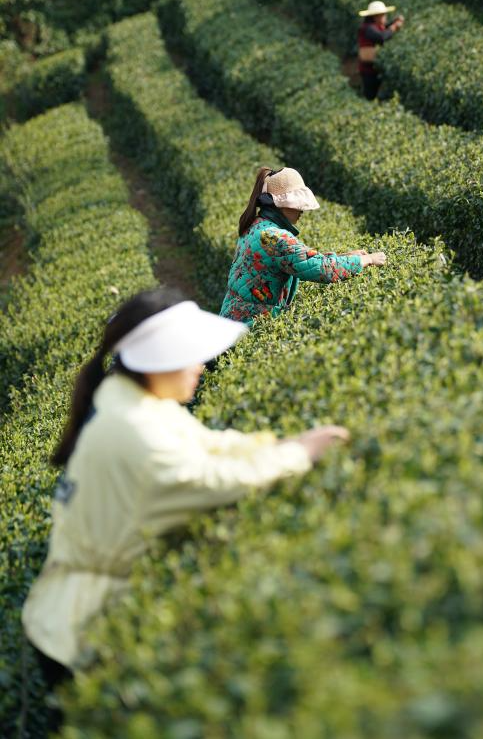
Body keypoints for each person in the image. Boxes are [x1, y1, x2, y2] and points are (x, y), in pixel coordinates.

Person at [23, 288, 349, 722]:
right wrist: (297, 456)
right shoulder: (136, 428)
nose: (201, 365)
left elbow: (207, 447)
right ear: (158, 361)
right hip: (75, 632)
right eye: (190, 356)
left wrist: (277, 444)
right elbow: (208, 479)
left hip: (72, 612)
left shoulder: (133, 401)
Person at [220, 167, 386, 324]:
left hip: (233, 317)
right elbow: (321, 268)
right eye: (297, 204)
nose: (302, 210)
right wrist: (367, 260)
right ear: (280, 204)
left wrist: (347, 257)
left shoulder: (257, 225)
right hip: (247, 323)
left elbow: (304, 261)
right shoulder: (275, 237)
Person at [357, 0, 405, 100]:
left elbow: (385, 28)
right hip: (368, 70)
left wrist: (394, 22)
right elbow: (381, 37)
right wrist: (394, 27)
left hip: (375, 69)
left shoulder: (375, 26)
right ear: (376, 16)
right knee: (370, 95)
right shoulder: (368, 28)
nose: (385, 17)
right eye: (383, 15)